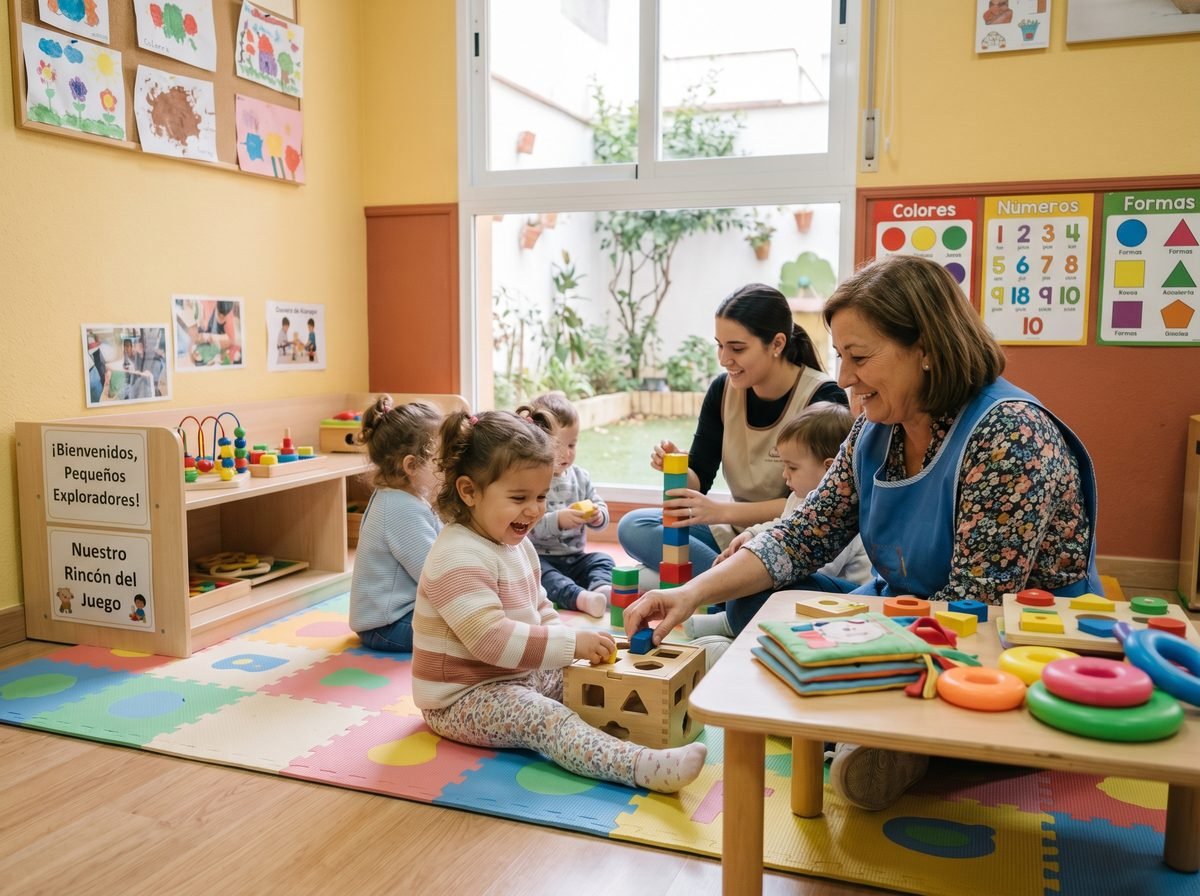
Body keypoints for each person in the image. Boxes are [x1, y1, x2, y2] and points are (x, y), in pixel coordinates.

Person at [624, 254, 1101, 812]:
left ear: (925, 347)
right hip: (905, 612)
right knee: (770, 603)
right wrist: (689, 593)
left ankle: (888, 739)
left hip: (999, 639)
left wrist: (841, 658)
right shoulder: (875, 429)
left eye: (859, 357)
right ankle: (869, 733)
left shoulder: (1008, 434)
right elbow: (801, 535)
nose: (845, 378)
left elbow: (976, 610)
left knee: (794, 660)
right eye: (840, 358)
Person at [412, 410, 707, 793]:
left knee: (589, 683)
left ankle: (651, 728)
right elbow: (491, 640)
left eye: (541, 497)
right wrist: (569, 646)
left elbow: (542, 607)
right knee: (546, 718)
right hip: (460, 698)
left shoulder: (515, 545)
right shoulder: (456, 554)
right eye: (519, 498)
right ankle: (636, 766)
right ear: (469, 491)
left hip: (513, 675)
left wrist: (574, 651)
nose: (535, 510)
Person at [618, 283, 847, 579]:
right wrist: (675, 465)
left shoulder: (823, 399)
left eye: (737, 348)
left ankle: (722, 586)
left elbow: (819, 503)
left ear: (777, 344)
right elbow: (698, 483)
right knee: (635, 525)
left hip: (791, 539)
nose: (724, 359)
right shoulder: (722, 390)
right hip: (732, 533)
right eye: (720, 345)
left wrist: (722, 512)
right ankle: (734, 587)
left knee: (656, 573)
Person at [686, 401, 872, 650]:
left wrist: (754, 575)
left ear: (830, 469)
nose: (785, 475)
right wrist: (752, 535)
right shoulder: (799, 496)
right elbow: (783, 527)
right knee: (745, 590)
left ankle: (732, 626)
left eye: (792, 467)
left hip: (844, 603)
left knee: (749, 594)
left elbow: (815, 567)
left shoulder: (843, 510)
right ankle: (734, 619)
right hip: (811, 591)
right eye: (783, 465)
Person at [349, 396, 444, 653]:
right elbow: (433, 575)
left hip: (398, 615)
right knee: (470, 631)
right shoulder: (400, 509)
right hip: (387, 625)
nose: (447, 468)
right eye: (439, 461)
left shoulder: (407, 497)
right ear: (411, 465)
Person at [517, 392, 613, 618]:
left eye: (572, 444)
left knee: (603, 560)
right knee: (539, 576)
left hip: (576, 556)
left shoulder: (580, 476)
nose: (566, 453)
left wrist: (599, 516)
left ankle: (601, 588)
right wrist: (558, 520)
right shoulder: (533, 480)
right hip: (542, 558)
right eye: (558, 445)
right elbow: (529, 524)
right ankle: (580, 598)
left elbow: (597, 502)